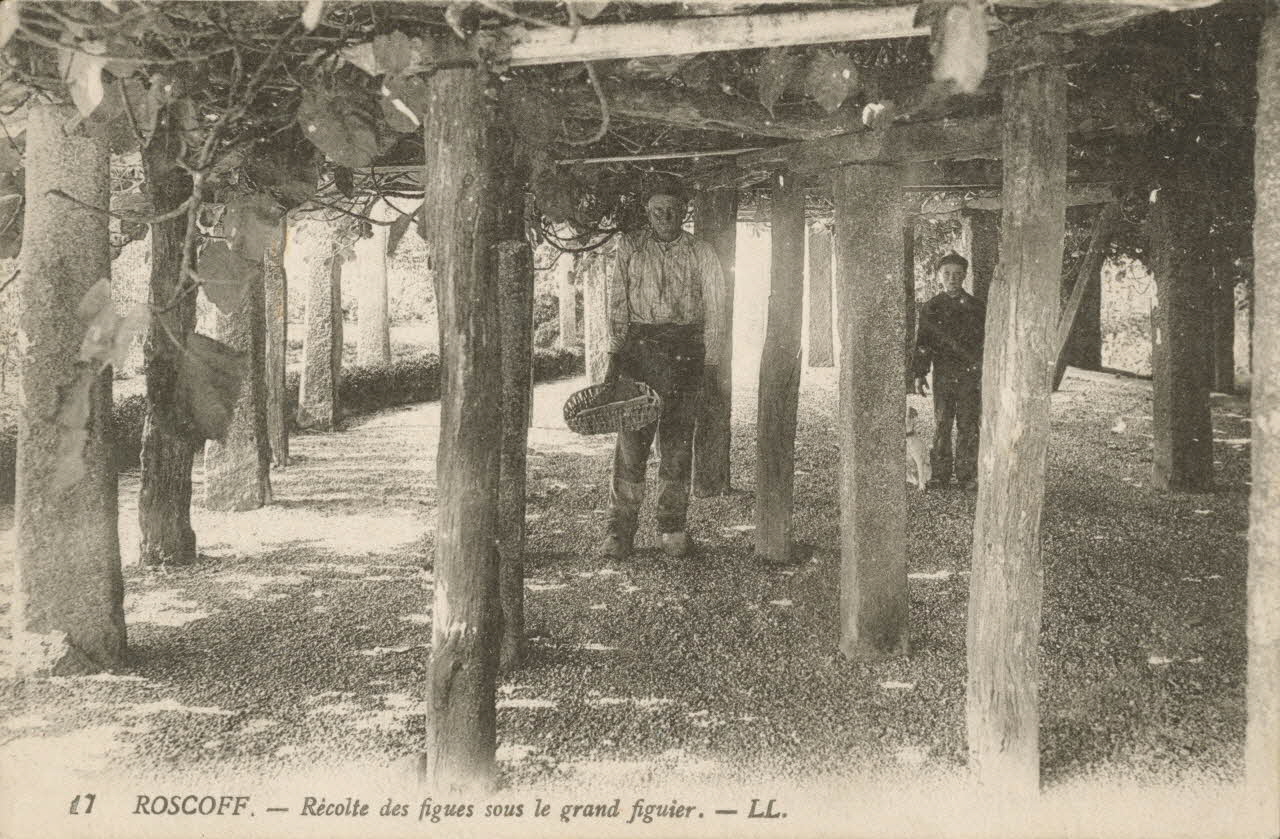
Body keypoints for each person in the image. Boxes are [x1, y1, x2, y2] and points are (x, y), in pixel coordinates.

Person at [599, 178, 726, 560]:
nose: (666, 217)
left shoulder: (701, 252)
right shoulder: (630, 248)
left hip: (685, 353)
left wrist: (711, 363)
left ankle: (672, 528)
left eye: (673, 210)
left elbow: (717, 309)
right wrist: (614, 356)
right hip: (640, 353)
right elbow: (617, 303)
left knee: (676, 445)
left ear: (684, 212)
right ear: (647, 212)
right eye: (658, 211)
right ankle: (620, 533)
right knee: (631, 445)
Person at [911, 251, 985, 491]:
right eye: (947, 274)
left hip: (969, 375)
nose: (952, 278)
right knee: (942, 423)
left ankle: (967, 475)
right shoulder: (931, 307)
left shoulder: (976, 307)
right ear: (939, 277)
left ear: (964, 276)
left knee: (968, 424)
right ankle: (940, 474)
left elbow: (985, 342)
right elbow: (923, 343)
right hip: (943, 374)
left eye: (957, 274)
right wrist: (920, 374)